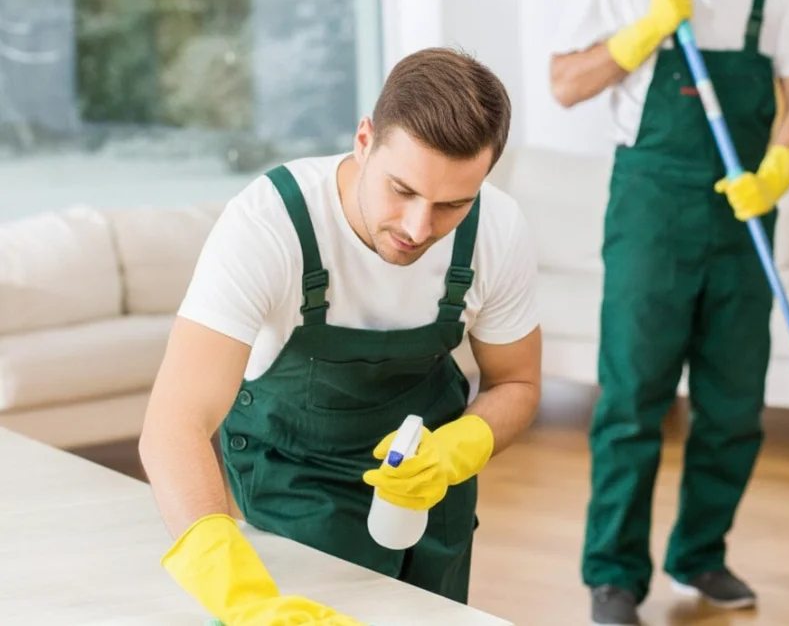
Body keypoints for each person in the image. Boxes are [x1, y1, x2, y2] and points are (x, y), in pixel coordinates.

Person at [138, 47, 542, 626]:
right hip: (298, 490)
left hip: (429, 500)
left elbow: (519, 382)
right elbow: (172, 426)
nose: (418, 228)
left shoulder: (497, 229)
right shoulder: (270, 223)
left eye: (453, 203)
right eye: (401, 190)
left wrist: (458, 450)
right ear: (363, 139)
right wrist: (239, 597)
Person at [549, 0, 789, 623]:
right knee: (632, 398)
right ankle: (614, 576)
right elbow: (564, 84)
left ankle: (700, 553)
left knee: (733, 402)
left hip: (743, 209)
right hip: (651, 208)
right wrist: (642, 33)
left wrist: (778, 171)